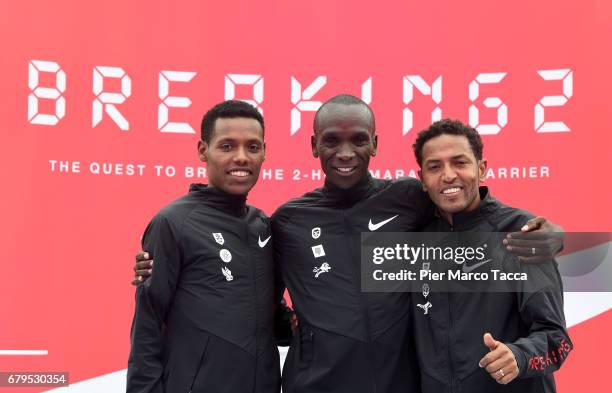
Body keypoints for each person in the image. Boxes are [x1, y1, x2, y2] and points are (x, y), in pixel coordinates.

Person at [133, 95, 564, 393]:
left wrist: (553, 237)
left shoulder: (412, 199)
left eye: (358, 139)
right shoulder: (284, 221)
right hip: (313, 384)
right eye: (332, 140)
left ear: (375, 144)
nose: (345, 151)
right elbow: (252, 294)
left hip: (403, 384)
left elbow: (472, 218)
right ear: (313, 145)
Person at [127, 100, 282, 393]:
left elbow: (271, 317)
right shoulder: (173, 222)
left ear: (264, 152)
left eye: (252, 147)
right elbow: (147, 327)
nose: (241, 157)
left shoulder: (264, 225)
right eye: (227, 146)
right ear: (203, 151)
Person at [409, 119, 571, 392]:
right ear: (422, 180)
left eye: (460, 163)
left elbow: (558, 341)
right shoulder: (412, 241)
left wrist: (519, 357)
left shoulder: (523, 233)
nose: (448, 175)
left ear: (482, 169)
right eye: (434, 167)